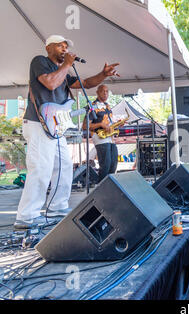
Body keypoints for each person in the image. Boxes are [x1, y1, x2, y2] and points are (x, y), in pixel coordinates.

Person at [14, 35, 119, 230]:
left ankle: (57, 208)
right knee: (41, 168)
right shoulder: (40, 62)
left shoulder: (62, 72)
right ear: (49, 47)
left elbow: (85, 84)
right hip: (38, 123)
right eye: (61, 46)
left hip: (56, 127)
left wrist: (103, 74)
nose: (65, 49)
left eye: (66, 47)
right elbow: (51, 84)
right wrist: (67, 64)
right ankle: (27, 216)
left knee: (63, 166)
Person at [83, 84, 119, 182]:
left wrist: (117, 124)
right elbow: (85, 126)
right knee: (105, 165)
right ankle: (101, 188)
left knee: (113, 164)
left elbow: (109, 123)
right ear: (97, 92)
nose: (105, 93)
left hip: (110, 137)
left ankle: (110, 186)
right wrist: (101, 124)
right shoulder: (92, 106)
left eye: (107, 91)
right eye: (103, 91)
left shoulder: (108, 106)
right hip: (99, 137)